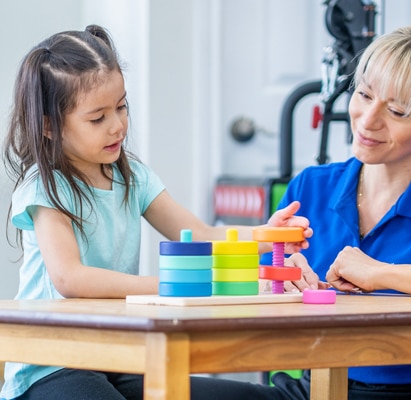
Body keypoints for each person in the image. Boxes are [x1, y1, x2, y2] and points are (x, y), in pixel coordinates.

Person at [190, 22, 411, 400]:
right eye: (365, 95)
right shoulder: (311, 187)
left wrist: (380, 274)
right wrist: (278, 284)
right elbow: (265, 297)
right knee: (137, 387)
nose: (368, 120)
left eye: (398, 111)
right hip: (312, 387)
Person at [0, 25, 312, 400]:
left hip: (116, 356)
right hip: (49, 362)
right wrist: (172, 289)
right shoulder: (45, 186)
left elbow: (200, 236)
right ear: (50, 127)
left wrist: (264, 235)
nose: (117, 125)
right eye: (97, 118)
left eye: (121, 107)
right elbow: (70, 278)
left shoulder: (133, 177)